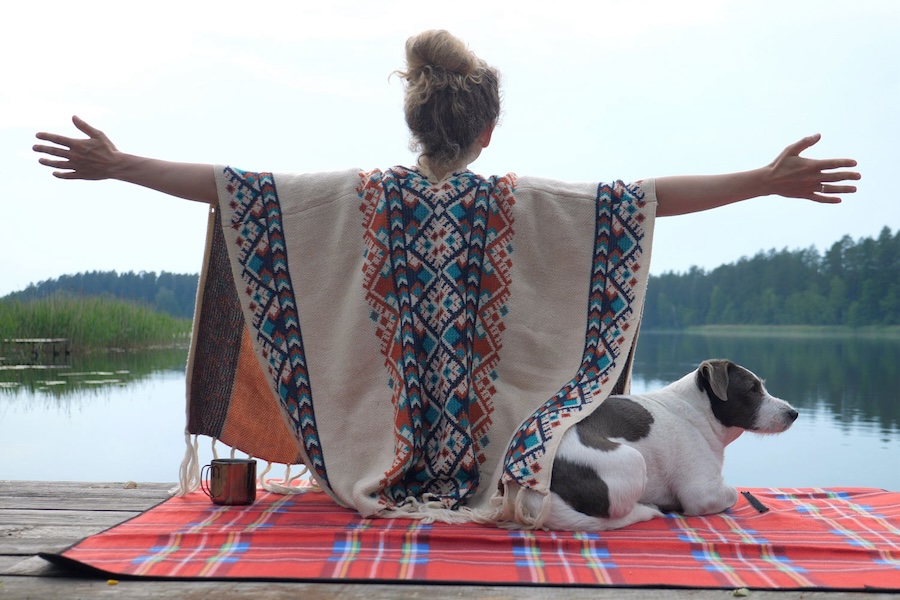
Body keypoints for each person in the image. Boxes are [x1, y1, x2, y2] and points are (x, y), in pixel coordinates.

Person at [33, 30, 859, 527]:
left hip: (374, 465)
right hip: (504, 465)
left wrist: (119, 164)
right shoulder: (526, 205)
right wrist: (763, 179)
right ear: (489, 130)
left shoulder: (355, 200)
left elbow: (232, 190)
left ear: (414, 124)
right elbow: (647, 201)